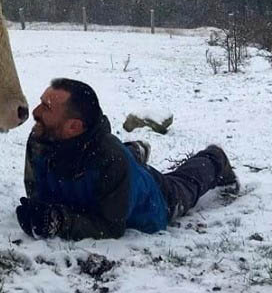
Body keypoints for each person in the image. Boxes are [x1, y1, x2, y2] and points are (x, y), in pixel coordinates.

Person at [16, 78, 239, 240]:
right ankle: (135, 151)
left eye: (46, 107)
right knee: (116, 160)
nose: (35, 111)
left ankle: (215, 158)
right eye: (41, 102)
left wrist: (60, 222)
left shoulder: (111, 159)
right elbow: (38, 194)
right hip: (114, 170)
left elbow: (110, 227)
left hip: (155, 198)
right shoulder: (40, 138)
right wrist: (39, 211)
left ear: (74, 126)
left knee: (187, 183)